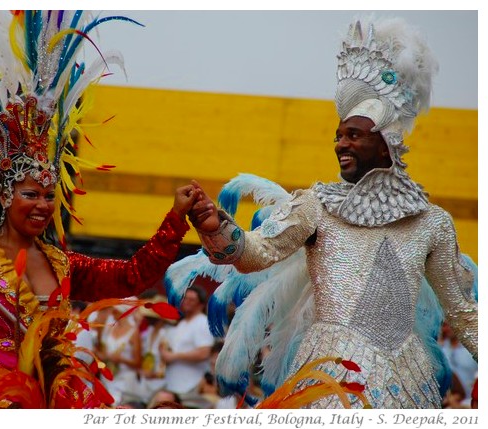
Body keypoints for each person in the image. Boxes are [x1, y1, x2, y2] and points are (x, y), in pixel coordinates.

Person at [0, 10, 196, 408]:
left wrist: (175, 218)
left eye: (49, 196)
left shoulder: (64, 263)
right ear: (5, 196)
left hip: (54, 390)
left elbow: (132, 277)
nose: (43, 205)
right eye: (31, 195)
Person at [183, 17, 477, 408]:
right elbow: (256, 254)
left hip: (407, 384)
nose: (340, 144)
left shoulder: (432, 222)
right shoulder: (317, 205)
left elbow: (461, 311)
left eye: (353, 135)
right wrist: (216, 226)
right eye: (338, 136)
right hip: (327, 377)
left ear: (386, 141)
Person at [160, 285, 215, 408]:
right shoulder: (181, 323)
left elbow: (204, 353)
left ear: (201, 304)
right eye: (185, 298)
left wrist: (173, 356)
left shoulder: (203, 322)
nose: (186, 302)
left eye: (191, 299)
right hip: (173, 385)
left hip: (192, 387)